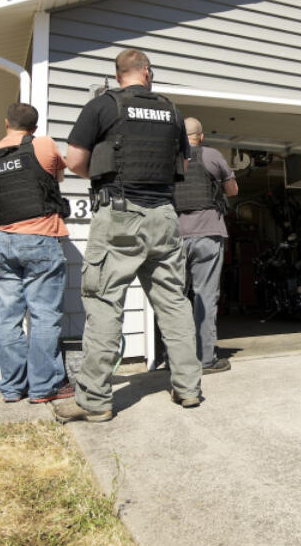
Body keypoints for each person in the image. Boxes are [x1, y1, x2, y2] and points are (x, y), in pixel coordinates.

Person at [54, 49, 202, 423]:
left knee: (104, 301)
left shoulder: (102, 106)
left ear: (119, 75)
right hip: (164, 217)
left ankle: (95, 400)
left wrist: (104, 177)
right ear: (147, 73)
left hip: (119, 214)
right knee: (174, 304)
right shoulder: (172, 111)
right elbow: (182, 165)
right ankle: (188, 389)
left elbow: (73, 160)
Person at [0, 102, 73, 405]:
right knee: (43, 316)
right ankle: (44, 387)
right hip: (39, 237)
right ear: (35, 126)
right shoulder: (43, 145)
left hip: (2, 241)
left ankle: (13, 387)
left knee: (8, 318)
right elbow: (57, 179)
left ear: (6, 123)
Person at [175, 116, 239, 373]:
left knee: (175, 299)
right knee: (205, 297)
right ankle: (205, 360)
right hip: (208, 235)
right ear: (200, 137)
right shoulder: (211, 155)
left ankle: (175, 359)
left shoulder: (170, 157)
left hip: (175, 237)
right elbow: (232, 190)